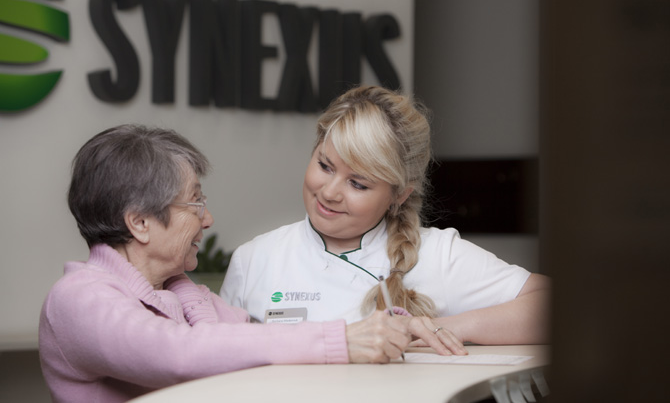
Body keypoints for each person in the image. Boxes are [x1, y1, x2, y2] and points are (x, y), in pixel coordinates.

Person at [39, 124, 449, 403]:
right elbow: (178, 355)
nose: (207, 218)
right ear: (140, 222)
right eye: (194, 201)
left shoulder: (183, 294)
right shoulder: (78, 298)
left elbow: (266, 339)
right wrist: (344, 340)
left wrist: (388, 327)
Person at [221, 85, 551, 354]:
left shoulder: (437, 255)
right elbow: (216, 364)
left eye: (358, 183)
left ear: (398, 195)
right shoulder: (254, 260)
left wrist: (446, 327)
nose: (330, 192)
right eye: (325, 165)